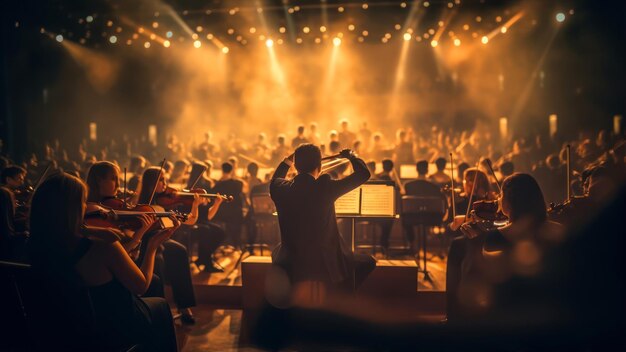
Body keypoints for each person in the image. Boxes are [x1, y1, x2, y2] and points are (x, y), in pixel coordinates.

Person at [27, 173, 178, 351]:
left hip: (58, 330)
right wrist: (152, 246)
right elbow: (141, 285)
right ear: (73, 209)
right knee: (159, 305)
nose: (87, 207)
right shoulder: (103, 245)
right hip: (108, 329)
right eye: (83, 202)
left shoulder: (31, 244)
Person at [270, 144, 374, 292]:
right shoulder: (325, 187)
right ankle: (343, 297)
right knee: (368, 262)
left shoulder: (280, 188)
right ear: (319, 165)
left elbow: (276, 178)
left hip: (292, 260)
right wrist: (352, 157)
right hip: (324, 261)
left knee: (276, 251)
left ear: (295, 166)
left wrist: (288, 160)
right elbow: (363, 174)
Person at [137, 167, 201, 324]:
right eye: (161, 180)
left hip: (161, 239)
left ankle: (184, 305)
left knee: (179, 250)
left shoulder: (166, 203)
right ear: (151, 183)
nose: (165, 183)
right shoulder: (140, 204)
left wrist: (195, 204)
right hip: (145, 241)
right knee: (160, 259)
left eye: (165, 179)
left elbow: (191, 220)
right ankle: (159, 308)